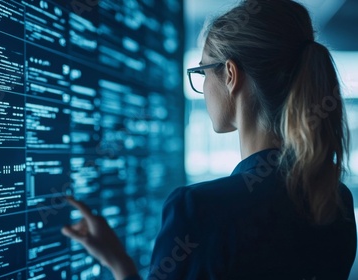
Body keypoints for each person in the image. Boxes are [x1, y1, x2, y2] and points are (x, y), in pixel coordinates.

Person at [61, 0, 357, 279]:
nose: (202, 87)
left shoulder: (197, 210)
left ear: (230, 74)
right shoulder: (335, 200)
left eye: (202, 71)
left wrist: (121, 266)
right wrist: (119, 261)